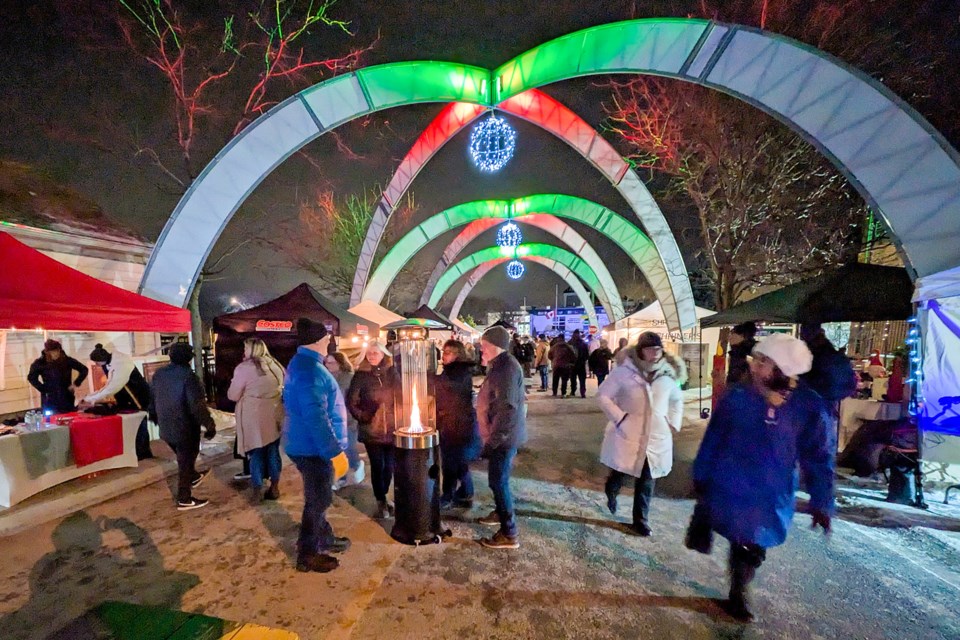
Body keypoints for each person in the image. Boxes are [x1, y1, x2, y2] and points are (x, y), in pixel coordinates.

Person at [689, 333, 834, 622]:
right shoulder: (738, 397)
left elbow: (819, 457)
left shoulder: (809, 406)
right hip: (730, 484)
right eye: (756, 359)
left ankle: (740, 582)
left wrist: (823, 502)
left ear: (783, 368)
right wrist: (701, 475)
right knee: (742, 539)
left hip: (772, 492)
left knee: (756, 544)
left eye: (763, 361)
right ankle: (738, 592)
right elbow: (714, 438)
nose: (754, 366)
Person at [596, 332, 684, 537]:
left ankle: (640, 521)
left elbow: (676, 399)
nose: (654, 354)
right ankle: (612, 488)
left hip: (655, 436)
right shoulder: (623, 372)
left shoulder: (667, 374)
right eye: (649, 349)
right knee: (622, 470)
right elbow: (603, 395)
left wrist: (673, 422)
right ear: (640, 351)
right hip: (629, 431)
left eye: (658, 349)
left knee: (647, 476)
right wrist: (620, 417)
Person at [283, 318, 351, 573]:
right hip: (311, 448)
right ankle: (307, 553)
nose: (329, 342)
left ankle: (325, 538)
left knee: (319, 497)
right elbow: (315, 416)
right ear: (318, 340)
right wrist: (334, 452)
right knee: (318, 500)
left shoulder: (304, 363)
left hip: (305, 444)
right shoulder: (310, 370)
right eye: (326, 338)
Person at [475, 326, 527, 549]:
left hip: (503, 438)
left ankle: (509, 532)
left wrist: (493, 442)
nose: (481, 351)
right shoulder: (500, 365)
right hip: (502, 436)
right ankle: (500, 512)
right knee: (498, 481)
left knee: (498, 482)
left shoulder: (505, 369)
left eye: (483, 346)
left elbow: (507, 409)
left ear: (494, 345)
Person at [149, 342, 216, 511]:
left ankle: (193, 476)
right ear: (189, 358)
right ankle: (184, 498)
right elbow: (197, 406)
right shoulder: (189, 377)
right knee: (185, 460)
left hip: (165, 426)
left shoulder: (159, 374)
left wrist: (154, 416)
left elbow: (152, 398)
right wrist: (209, 425)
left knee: (184, 459)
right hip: (185, 427)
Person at [347, 340, 401, 519]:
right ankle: (381, 500)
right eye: (369, 353)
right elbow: (352, 402)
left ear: (383, 354)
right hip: (372, 430)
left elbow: (401, 396)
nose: (372, 356)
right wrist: (364, 416)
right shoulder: (361, 375)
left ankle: (384, 495)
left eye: (375, 353)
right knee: (378, 466)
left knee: (390, 466)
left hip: (393, 429)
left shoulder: (392, 373)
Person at [227, 338, 285, 503]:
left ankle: (257, 489)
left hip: (254, 416)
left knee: (256, 451)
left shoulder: (245, 368)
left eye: (245, 348)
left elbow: (233, 395)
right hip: (275, 413)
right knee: (273, 451)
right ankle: (274, 486)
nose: (243, 352)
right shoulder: (276, 365)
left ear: (252, 350)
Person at [82, 343, 154, 460]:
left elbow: (112, 388)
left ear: (100, 360)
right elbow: (108, 386)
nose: (96, 365)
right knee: (132, 426)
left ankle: (143, 452)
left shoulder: (121, 364)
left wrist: (90, 399)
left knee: (139, 424)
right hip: (127, 400)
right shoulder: (112, 363)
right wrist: (90, 397)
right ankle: (134, 452)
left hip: (137, 399)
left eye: (96, 363)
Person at [435, 340, 481, 508]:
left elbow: (446, 387)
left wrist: (427, 377)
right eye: (443, 351)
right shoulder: (454, 371)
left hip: (456, 425)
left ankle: (447, 496)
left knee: (450, 463)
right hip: (455, 423)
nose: (443, 355)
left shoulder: (459, 372)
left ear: (457, 355)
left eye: (447, 352)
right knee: (460, 462)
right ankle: (467, 492)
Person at [324, 351, 366, 488]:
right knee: (337, 451)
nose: (328, 365)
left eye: (331, 362)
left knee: (349, 450)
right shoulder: (326, 378)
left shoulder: (349, 378)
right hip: (331, 420)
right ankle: (341, 478)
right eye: (326, 362)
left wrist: (354, 416)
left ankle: (356, 464)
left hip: (348, 420)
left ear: (340, 364)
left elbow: (354, 400)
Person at [27, 339, 88, 414]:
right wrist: (42, 388)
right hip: (49, 397)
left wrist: (76, 383)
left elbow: (84, 369)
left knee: (68, 416)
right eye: (53, 352)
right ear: (48, 352)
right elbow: (31, 377)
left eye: (57, 351)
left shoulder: (67, 360)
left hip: (66, 396)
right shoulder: (40, 363)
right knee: (51, 420)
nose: (55, 354)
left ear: (59, 350)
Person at [568, 329, 589, 398]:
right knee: (582, 380)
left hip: (572, 364)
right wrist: (583, 360)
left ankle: (573, 391)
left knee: (573, 379)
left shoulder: (570, 343)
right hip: (581, 364)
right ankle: (583, 393)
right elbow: (587, 355)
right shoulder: (583, 344)